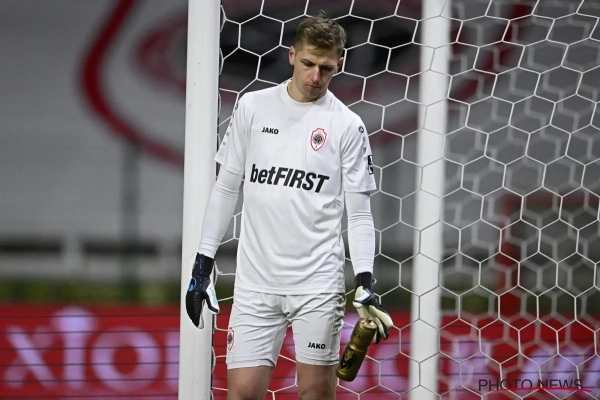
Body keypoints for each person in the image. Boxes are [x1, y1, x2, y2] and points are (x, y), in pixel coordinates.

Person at [185, 11, 394, 400]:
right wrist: (202, 265)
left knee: (315, 391)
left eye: (326, 68)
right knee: (243, 393)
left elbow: (360, 213)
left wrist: (364, 282)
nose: (315, 76)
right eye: (309, 64)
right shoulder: (252, 107)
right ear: (292, 55)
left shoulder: (347, 126)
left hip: (317, 283)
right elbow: (226, 189)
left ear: (340, 63)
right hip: (255, 282)